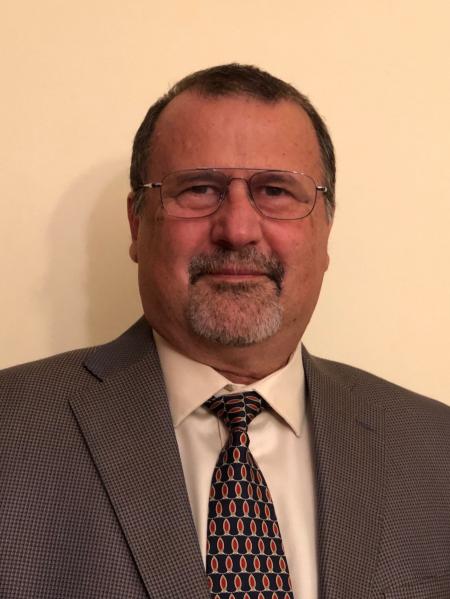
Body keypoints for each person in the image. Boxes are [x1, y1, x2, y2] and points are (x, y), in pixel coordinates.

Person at [1, 64, 449, 599]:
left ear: (326, 230)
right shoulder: (12, 431)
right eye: (199, 189)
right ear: (137, 224)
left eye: (276, 191)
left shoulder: (435, 449)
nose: (237, 229)